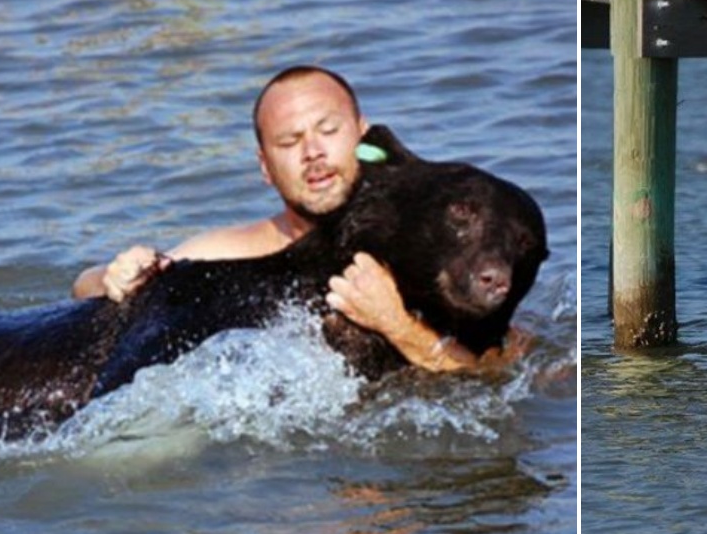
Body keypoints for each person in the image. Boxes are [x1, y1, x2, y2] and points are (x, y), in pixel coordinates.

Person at [72, 65, 497, 372]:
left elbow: (505, 370)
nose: (313, 152)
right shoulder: (234, 252)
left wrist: (397, 325)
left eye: (328, 131)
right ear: (265, 167)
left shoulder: (421, 244)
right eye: (290, 141)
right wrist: (114, 274)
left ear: (364, 137)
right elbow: (85, 291)